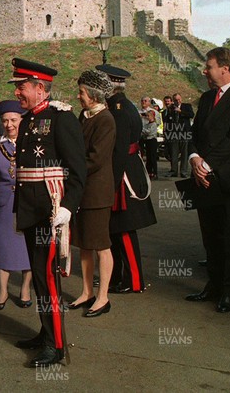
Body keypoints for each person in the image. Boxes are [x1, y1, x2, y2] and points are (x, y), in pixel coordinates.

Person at [10, 58, 86, 367]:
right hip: (30, 209)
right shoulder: (28, 119)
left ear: (41, 88)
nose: (18, 93)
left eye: (22, 87)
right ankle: (45, 331)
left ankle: (55, 345)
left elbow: (79, 170)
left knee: (48, 279)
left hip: (50, 212)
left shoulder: (62, 118)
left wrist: (69, 207)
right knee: (40, 276)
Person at [186, 47, 230, 313]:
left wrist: (205, 164)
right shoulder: (206, 98)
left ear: (224, 69)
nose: (205, 71)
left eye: (209, 66)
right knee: (210, 236)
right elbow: (194, 133)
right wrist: (194, 157)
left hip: (229, 179)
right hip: (204, 179)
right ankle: (214, 285)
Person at [99, 64, 157, 294]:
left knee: (124, 229)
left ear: (109, 84)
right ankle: (115, 276)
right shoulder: (117, 105)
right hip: (123, 171)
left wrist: (112, 182)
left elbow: (120, 148)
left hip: (123, 174)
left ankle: (134, 280)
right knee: (115, 228)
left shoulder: (119, 109)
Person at [69, 70, 116, 317]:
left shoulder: (105, 119)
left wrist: (70, 169)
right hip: (83, 190)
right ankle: (86, 292)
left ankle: (103, 296)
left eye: (82, 92)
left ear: (95, 94)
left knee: (101, 245)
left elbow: (96, 158)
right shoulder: (84, 115)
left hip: (97, 192)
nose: (79, 96)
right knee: (84, 244)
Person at [0, 99, 32, 311]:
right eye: (5, 120)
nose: (9, 124)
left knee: (27, 247)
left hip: (28, 201)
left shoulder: (31, 141)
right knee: (3, 246)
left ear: (22, 119)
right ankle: (2, 291)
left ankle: (25, 289)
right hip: (3, 202)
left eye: (14, 120)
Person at [166, 93, 194, 178]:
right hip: (174, 132)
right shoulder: (171, 108)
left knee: (184, 153)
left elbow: (191, 115)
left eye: (179, 99)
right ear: (173, 100)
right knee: (174, 152)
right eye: (176, 100)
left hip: (184, 132)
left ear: (181, 98)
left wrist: (181, 111)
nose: (178, 101)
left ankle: (183, 171)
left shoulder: (187, 106)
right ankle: (174, 171)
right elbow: (167, 119)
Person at [141, 109, 158, 179]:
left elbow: (149, 132)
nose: (147, 117)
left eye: (148, 116)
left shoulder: (154, 124)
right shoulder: (147, 124)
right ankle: (149, 171)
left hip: (152, 141)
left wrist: (142, 129)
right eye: (147, 116)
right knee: (148, 157)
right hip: (147, 141)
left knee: (152, 157)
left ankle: (154, 172)